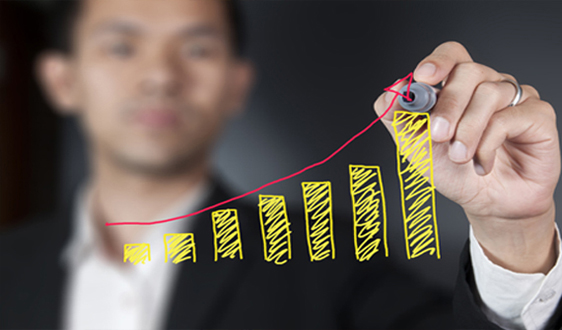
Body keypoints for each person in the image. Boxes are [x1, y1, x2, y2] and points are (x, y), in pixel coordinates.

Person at [1, 0, 561, 329]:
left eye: (195, 49)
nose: (159, 77)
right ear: (62, 80)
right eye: (122, 46)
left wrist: (514, 233)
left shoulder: (330, 251)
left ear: (236, 85)